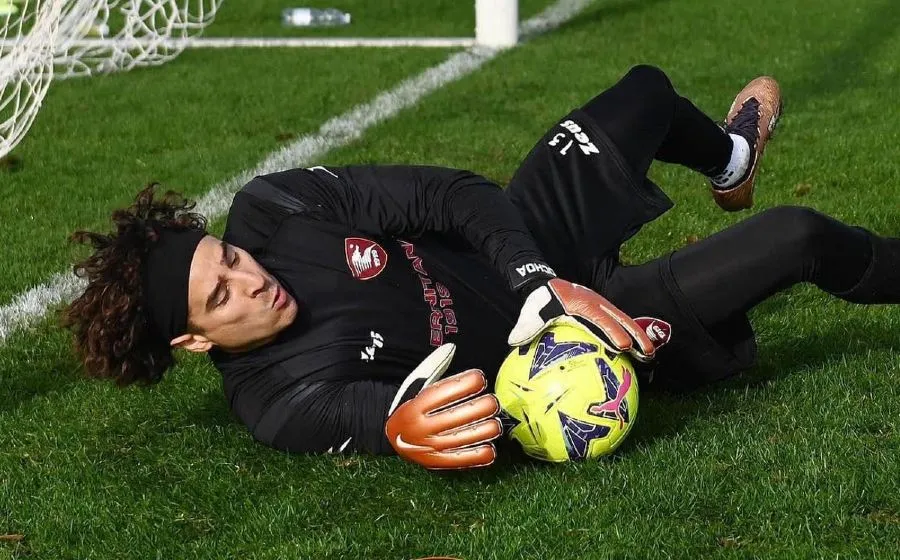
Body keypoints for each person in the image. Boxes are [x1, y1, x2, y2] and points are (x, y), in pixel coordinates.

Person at [63, 65, 900, 470]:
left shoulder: (275, 209)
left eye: (230, 259)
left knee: (644, 94)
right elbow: (396, 419)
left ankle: (731, 160)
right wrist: (405, 431)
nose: (250, 280)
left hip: (528, 252)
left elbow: (451, 193)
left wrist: (536, 278)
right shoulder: (277, 400)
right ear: (195, 342)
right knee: (797, 236)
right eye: (221, 295)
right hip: (568, 346)